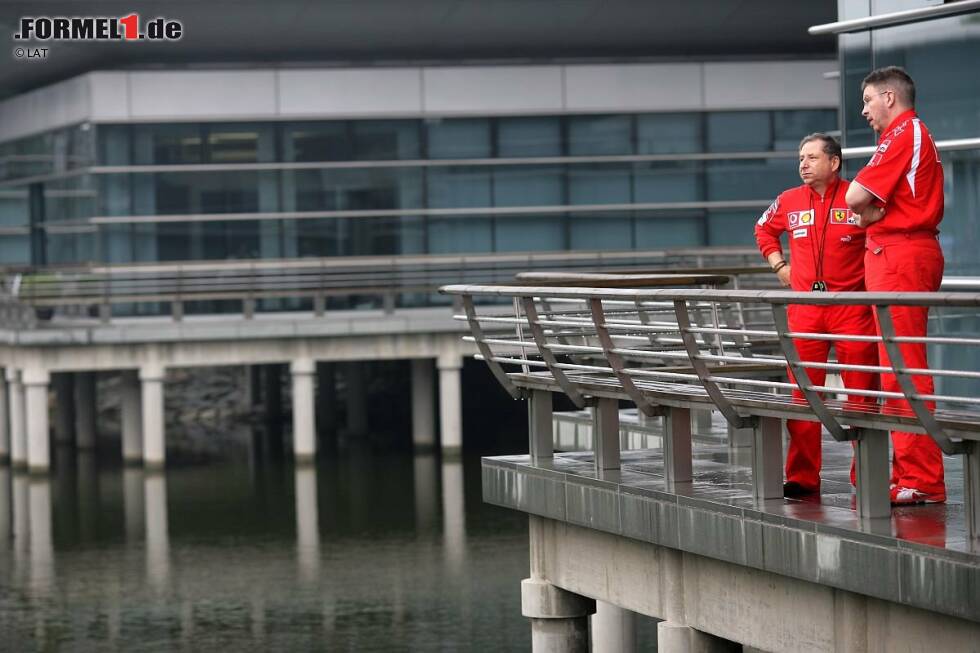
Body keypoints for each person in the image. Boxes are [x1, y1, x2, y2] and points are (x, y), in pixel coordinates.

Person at [755, 133, 878, 497]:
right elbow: (763, 229)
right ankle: (803, 477)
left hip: (852, 310)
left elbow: (881, 232)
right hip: (804, 312)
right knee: (803, 396)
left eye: (811, 157)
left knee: (862, 394)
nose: (803, 164)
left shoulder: (857, 196)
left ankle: (865, 476)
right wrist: (779, 266)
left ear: (834, 162)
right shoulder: (789, 200)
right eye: (800, 158)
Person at [845, 66, 946, 505]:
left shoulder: (903, 132)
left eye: (867, 101)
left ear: (889, 96)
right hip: (895, 254)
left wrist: (871, 214)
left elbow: (853, 199)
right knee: (894, 368)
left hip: (901, 255)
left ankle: (922, 479)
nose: (864, 110)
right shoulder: (906, 135)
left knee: (903, 367)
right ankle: (910, 474)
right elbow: (863, 210)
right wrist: (871, 215)